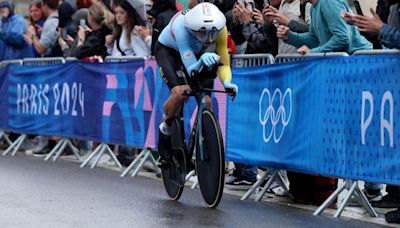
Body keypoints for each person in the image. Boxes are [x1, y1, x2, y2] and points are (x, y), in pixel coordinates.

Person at [155, 2, 238, 167]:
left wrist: (228, 82)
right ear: (192, 29)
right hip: (170, 52)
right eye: (202, 33)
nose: (208, 39)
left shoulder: (220, 29)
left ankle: (204, 145)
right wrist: (200, 61)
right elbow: (191, 69)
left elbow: (225, 64)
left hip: (199, 56)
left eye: (212, 33)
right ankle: (165, 127)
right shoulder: (181, 27)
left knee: (206, 102)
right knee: (181, 92)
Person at [276, 0, 372, 54]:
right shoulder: (313, 9)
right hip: (346, 60)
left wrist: (313, 52)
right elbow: (314, 39)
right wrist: (290, 36)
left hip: (359, 59)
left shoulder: (328, 2)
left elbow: (343, 37)